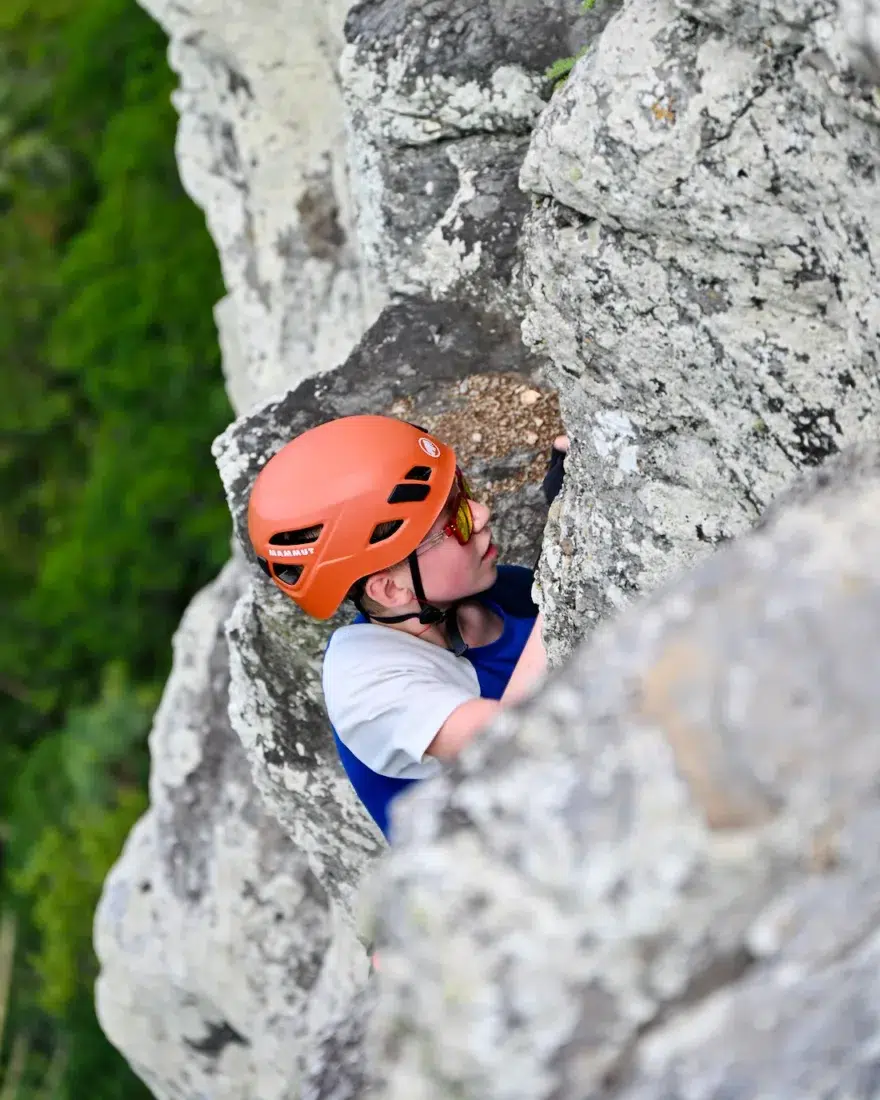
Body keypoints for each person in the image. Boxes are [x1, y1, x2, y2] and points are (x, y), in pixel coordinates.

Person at [247, 414, 567, 840]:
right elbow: (510, 742)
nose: (482, 513)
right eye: (456, 522)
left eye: (463, 493)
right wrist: (574, 561)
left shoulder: (497, 592)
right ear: (390, 588)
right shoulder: (368, 685)